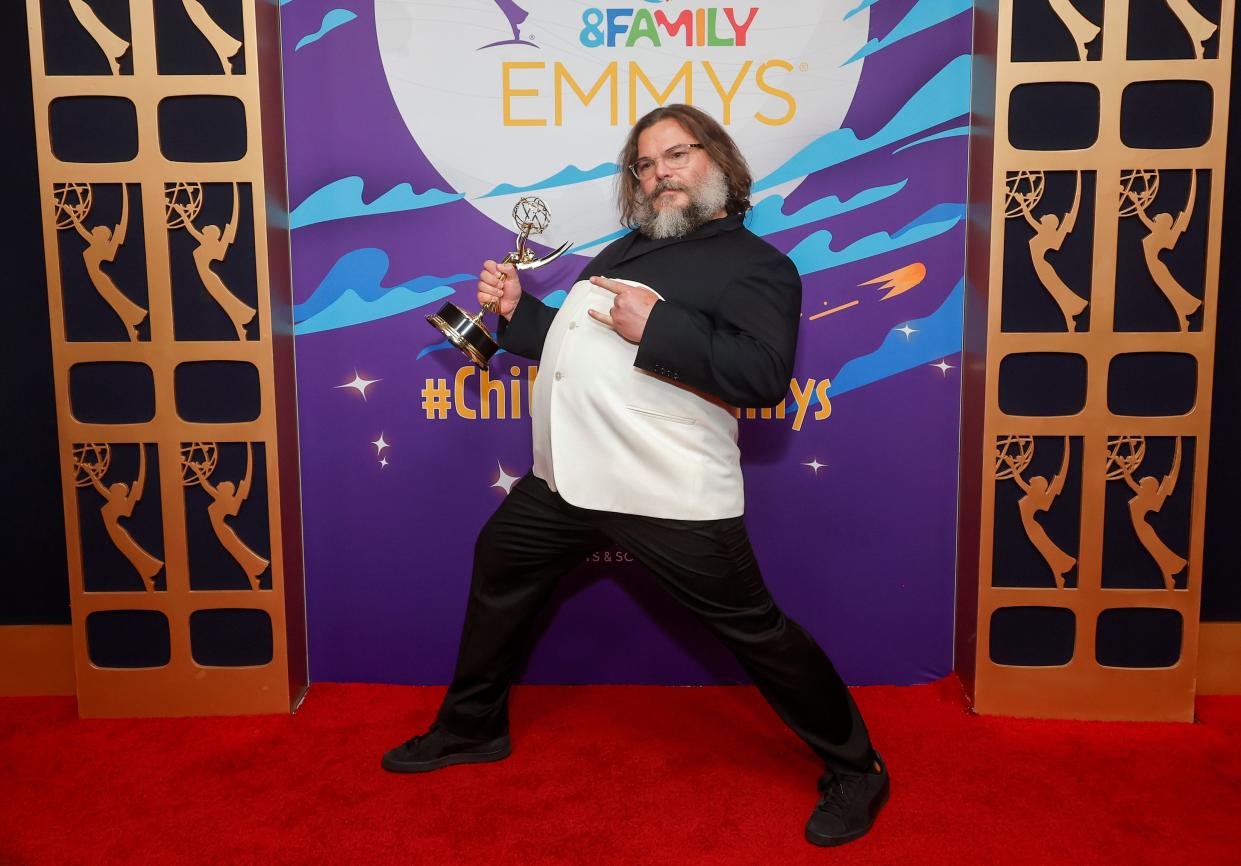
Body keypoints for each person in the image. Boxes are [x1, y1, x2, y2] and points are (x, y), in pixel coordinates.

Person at [382, 104, 889, 847]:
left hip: (664, 489)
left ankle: (858, 768)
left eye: (676, 156)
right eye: (645, 166)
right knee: (501, 562)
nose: (660, 175)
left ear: (718, 164)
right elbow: (577, 345)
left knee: (756, 632)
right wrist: (522, 313)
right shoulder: (621, 252)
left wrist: (655, 327)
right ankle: (472, 727)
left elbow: (761, 376)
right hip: (564, 482)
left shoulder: (758, 266)